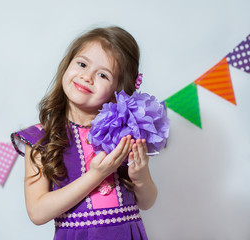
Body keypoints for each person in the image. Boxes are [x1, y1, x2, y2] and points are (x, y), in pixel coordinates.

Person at [11, 26, 157, 240]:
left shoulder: (125, 133)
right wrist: (95, 176)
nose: (87, 77)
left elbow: (147, 202)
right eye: (82, 64)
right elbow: (37, 212)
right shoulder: (41, 138)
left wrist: (141, 177)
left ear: (119, 88)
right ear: (67, 65)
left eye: (103, 75)